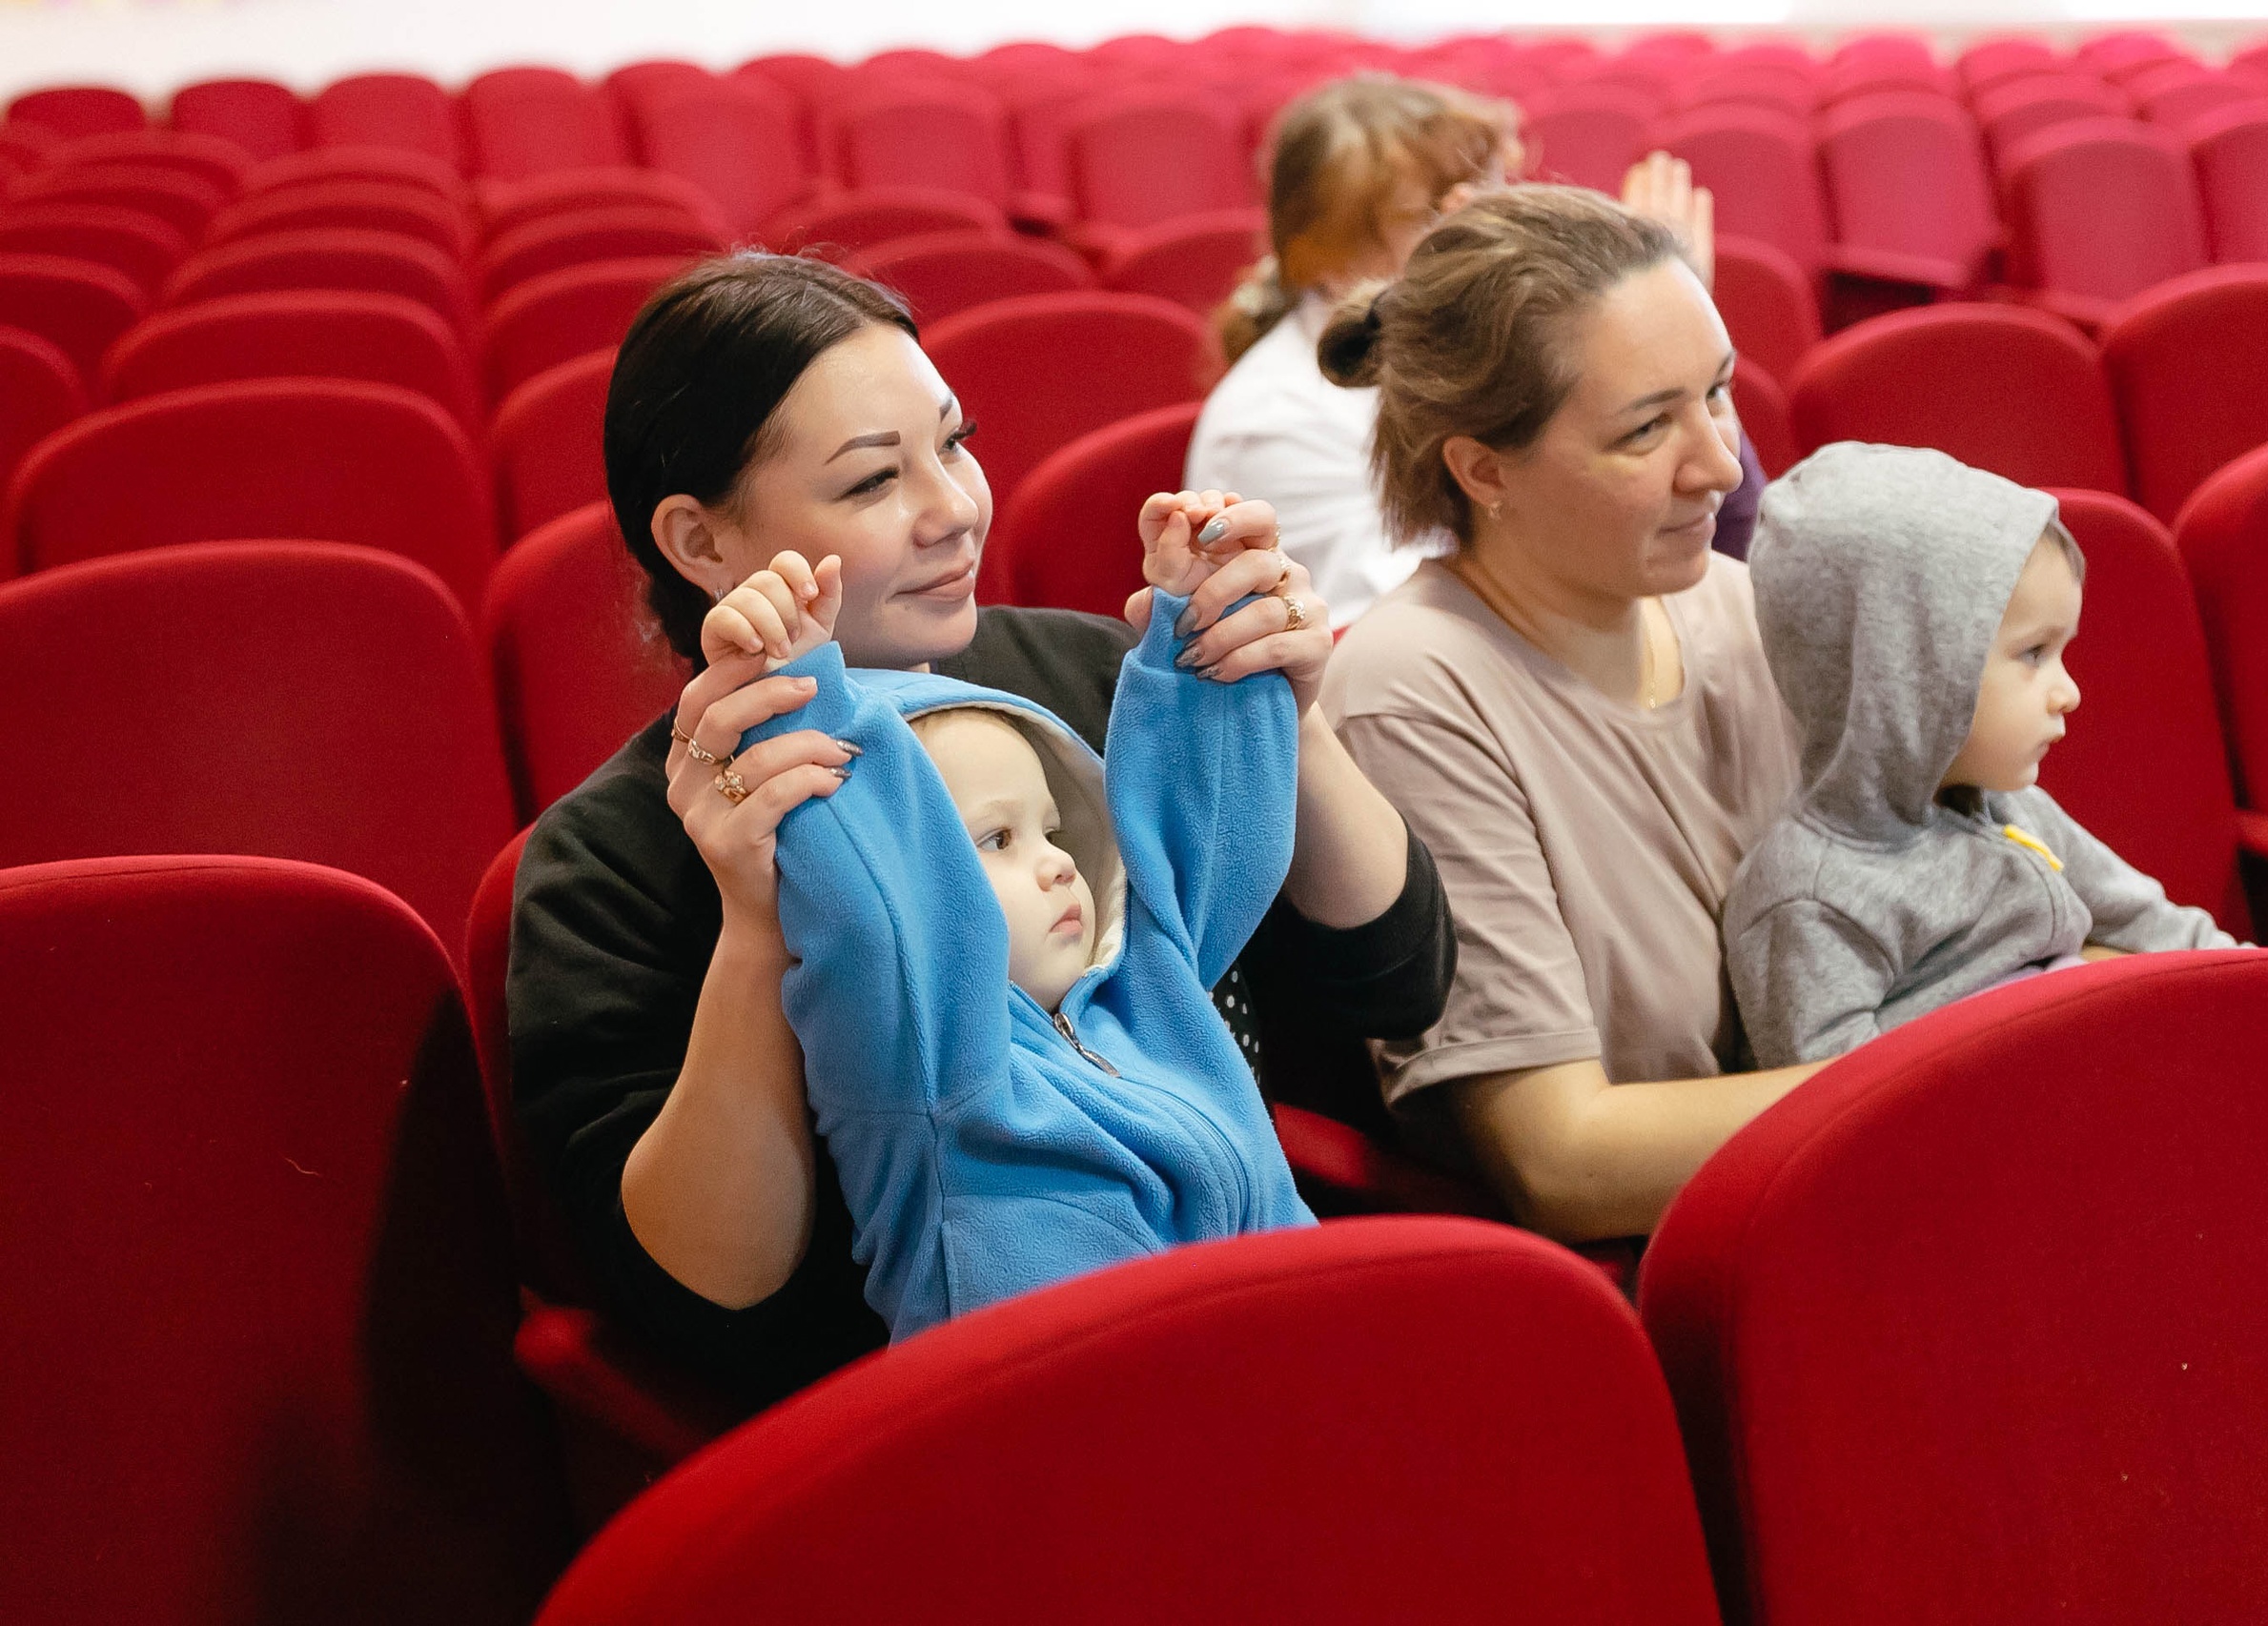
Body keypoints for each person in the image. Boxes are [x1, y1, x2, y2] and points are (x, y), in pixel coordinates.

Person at [510, 254, 1452, 1404]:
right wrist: (755, 930)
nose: (954, 507)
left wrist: (1289, 717)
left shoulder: (1084, 678)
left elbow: (1394, 980)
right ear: (701, 543)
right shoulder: (607, 862)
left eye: (954, 444)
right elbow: (711, 1296)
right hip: (963, 1419)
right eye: (872, 481)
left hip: (1259, 1326)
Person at [1317, 185, 1820, 1247]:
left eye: (1718, 393)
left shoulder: (1740, 605)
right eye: (1647, 429)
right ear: (1482, 470)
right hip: (1661, 1272)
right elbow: (1564, 1158)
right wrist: (1939, 1061)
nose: (1721, 465)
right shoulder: (1414, 689)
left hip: (1836, 1200)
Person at [734, 493, 1315, 1343]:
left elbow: (1211, 826)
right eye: (997, 839)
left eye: (1053, 830)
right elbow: (875, 913)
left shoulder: (1147, 994)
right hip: (1082, 1416)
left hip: (1293, 1362)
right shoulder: (929, 1062)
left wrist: (1205, 627)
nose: (1057, 863)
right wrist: (797, 698)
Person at [1723, 444, 2239, 1068]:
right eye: (2033, 654)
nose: (2068, 692)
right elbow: (1842, 1104)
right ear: (1907, 674)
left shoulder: (2016, 810)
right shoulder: (1810, 899)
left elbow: (2158, 928)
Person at [1188, 74, 1764, 630]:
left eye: (1488, 189)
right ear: (1324, 254)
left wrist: (1668, 322)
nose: (1485, 224)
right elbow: (1409, 628)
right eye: (1433, 212)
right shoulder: (1277, 420)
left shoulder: (1484, 350)